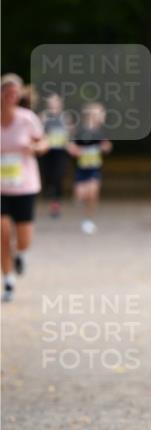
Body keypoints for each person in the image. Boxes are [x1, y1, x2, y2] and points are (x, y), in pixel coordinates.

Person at [1, 73, 49, 302]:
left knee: (23, 239)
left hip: (24, 186)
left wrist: (36, 148)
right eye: (7, 92)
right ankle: (8, 281)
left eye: (15, 93)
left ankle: (20, 253)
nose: (11, 97)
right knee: (2, 235)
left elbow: (44, 142)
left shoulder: (27, 119)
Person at [67, 101, 112, 235]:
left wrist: (105, 147)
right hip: (81, 169)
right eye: (100, 114)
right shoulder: (80, 131)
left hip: (94, 168)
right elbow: (70, 146)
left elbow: (106, 145)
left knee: (93, 194)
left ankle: (88, 221)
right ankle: (81, 201)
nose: (102, 117)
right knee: (80, 195)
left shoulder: (100, 132)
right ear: (91, 115)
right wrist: (77, 151)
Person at [40, 93, 71, 217]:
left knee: (58, 177)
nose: (53, 104)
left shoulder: (66, 117)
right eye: (51, 102)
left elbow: (70, 133)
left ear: (60, 103)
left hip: (61, 152)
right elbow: (38, 132)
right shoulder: (43, 116)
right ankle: (50, 192)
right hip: (47, 151)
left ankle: (56, 203)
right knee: (47, 176)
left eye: (55, 102)